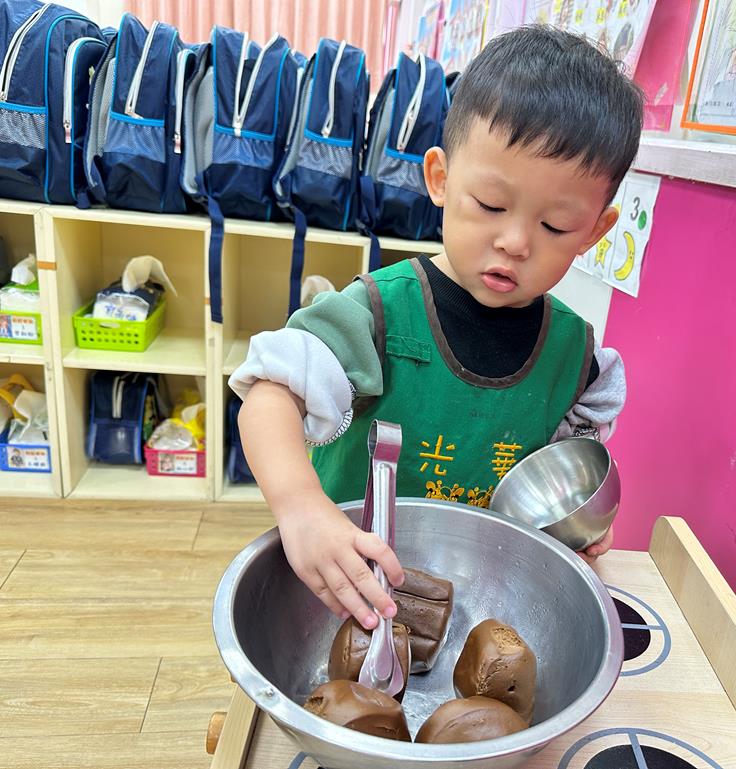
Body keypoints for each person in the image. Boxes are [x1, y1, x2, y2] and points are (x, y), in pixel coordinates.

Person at [230, 25, 643, 632]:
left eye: (556, 226)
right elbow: (268, 398)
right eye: (492, 205)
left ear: (594, 232)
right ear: (441, 179)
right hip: (351, 591)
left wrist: (575, 528)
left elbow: (561, 477)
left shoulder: (577, 361)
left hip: (483, 604)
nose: (515, 241)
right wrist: (301, 507)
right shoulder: (374, 315)